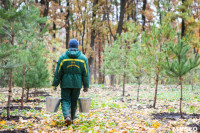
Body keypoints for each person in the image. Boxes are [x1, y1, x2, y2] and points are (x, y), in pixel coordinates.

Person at [52, 39, 89, 126]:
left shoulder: (63, 57)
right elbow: (86, 73)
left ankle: (67, 116)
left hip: (65, 84)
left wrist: (55, 84)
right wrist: (86, 86)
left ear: (69, 46)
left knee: (65, 100)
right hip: (77, 84)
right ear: (77, 46)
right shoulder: (83, 58)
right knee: (74, 101)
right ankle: (71, 119)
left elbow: (58, 72)